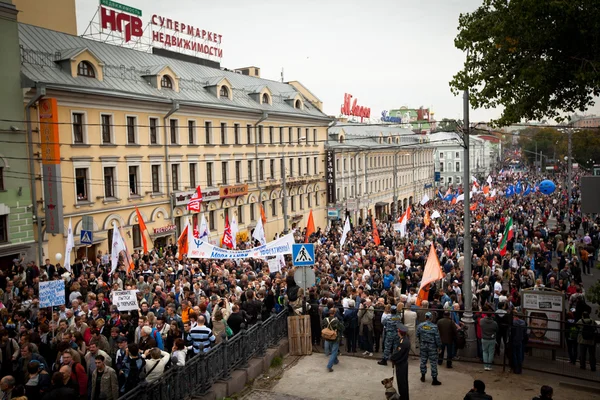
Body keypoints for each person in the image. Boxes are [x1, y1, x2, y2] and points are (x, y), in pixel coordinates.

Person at [416, 312, 442, 385]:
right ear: (431, 318)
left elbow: (417, 335)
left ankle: (423, 377)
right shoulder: (434, 327)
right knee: (433, 362)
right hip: (432, 347)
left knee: (423, 361)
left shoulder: (420, 326)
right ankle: (434, 379)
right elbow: (437, 338)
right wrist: (439, 346)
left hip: (423, 345)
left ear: (425, 317)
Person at [390, 323, 411, 400]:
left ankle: (404, 397)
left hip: (401, 364)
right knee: (403, 382)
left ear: (399, 332)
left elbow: (397, 354)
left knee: (402, 383)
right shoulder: (405, 339)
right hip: (403, 363)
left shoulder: (403, 342)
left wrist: (392, 357)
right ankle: (405, 396)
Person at [321, 307, 342, 372]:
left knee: (332, 350)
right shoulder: (336, 321)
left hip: (327, 336)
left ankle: (336, 361)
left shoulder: (325, 319)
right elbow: (341, 328)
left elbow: (322, 325)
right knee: (334, 351)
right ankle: (329, 366)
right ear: (334, 313)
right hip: (335, 337)